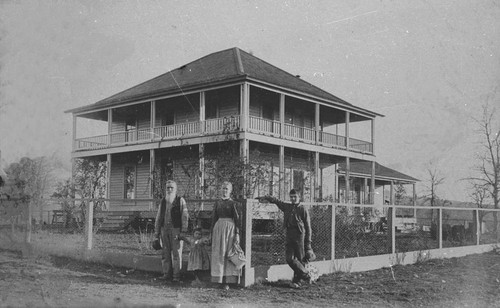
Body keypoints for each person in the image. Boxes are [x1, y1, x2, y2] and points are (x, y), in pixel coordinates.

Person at [258, 189, 315, 288]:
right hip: (289, 235)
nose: (293, 199)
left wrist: (308, 244)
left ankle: (297, 281)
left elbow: (308, 227)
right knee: (289, 259)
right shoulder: (287, 207)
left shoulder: (303, 209)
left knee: (301, 259)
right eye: (291, 197)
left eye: (295, 197)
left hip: (299, 235)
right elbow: (277, 201)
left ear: (299, 197)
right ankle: (307, 275)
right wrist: (267, 197)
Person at [154, 180, 189, 283]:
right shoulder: (163, 201)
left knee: (176, 253)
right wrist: (157, 232)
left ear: (175, 189)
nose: (169, 190)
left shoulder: (180, 200)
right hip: (164, 229)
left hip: (176, 230)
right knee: (165, 253)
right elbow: (158, 217)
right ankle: (166, 274)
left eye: (171, 188)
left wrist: (183, 231)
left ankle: (176, 276)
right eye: (167, 188)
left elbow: (185, 216)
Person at [210, 181, 241, 289]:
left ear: (230, 191)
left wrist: (237, 233)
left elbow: (237, 219)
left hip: (229, 230)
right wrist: (211, 233)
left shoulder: (233, 203)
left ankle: (228, 281)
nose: (224, 191)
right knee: (218, 253)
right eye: (223, 188)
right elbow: (214, 218)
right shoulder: (217, 203)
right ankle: (218, 279)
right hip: (218, 229)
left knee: (228, 253)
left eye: (226, 189)